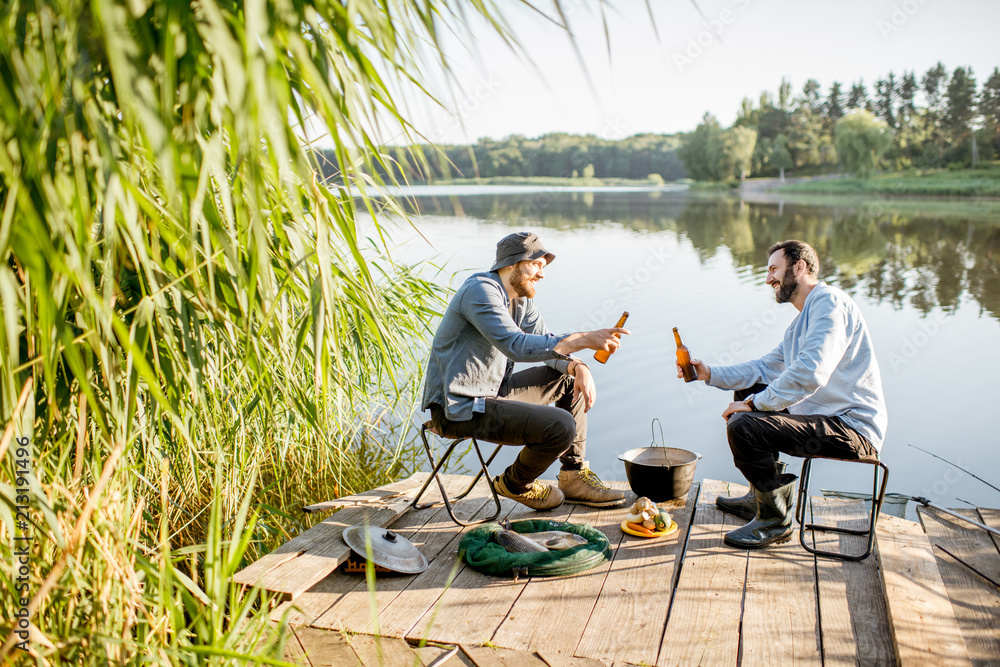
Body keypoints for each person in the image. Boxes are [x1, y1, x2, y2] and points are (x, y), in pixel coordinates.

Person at [678, 240, 887, 549]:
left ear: (799, 267)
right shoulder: (802, 322)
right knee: (750, 389)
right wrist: (708, 372)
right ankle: (760, 499)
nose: (768, 279)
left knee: (743, 424)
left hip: (853, 430)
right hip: (825, 419)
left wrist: (752, 405)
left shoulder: (829, 303)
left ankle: (775, 521)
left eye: (774, 269)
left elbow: (811, 372)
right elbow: (764, 368)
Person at [422, 231, 629, 510]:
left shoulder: (522, 301)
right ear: (512, 263)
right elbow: (516, 345)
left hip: (492, 395)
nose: (542, 275)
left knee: (567, 379)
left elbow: (548, 347)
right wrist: (584, 339)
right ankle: (514, 483)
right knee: (560, 426)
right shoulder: (480, 291)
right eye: (537, 265)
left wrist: (578, 365)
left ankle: (573, 475)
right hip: (458, 407)